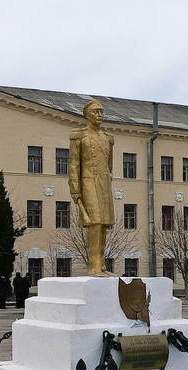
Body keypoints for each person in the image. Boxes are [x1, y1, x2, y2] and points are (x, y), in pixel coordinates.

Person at [69, 99, 116, 276]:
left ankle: (102, 266)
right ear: (88, 115)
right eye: (96, 112)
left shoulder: (108, 138)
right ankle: (94, 266)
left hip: (104, 184)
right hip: (88, 182)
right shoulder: (79, 136)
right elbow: (74, 164)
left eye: (101, 112)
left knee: (103, 224)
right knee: (95, 223)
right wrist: (75, 188)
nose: (100, 115)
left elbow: (109, 167)